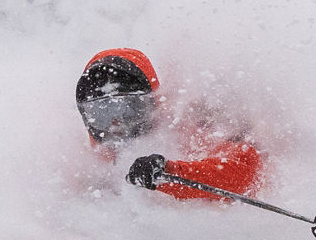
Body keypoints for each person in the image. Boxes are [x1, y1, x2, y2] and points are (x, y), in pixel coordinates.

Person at [74, 48, 267, 204]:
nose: (115, 123)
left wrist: (169, 173)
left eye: (128, 109)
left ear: (151, 103)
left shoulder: (184, 122)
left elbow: (247, 171)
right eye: (101, 113)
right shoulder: (98, 150)